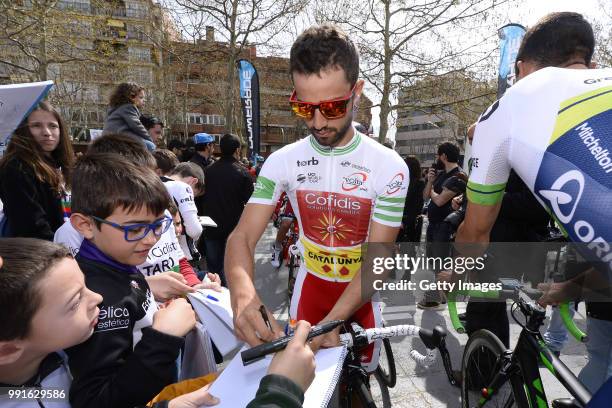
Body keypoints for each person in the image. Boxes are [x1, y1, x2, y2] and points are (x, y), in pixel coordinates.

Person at [226, 24, 409, 373]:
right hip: (310, 291)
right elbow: (242, 237)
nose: (318, 121)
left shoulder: (390, 166)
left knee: (357, 386)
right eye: (304, 108)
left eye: (334, 106)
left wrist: (337, 319)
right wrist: (244, 295)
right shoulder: (283, 161)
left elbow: (381, 256)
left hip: (362, 298)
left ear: (357, 92)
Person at [455, 12, 611, 393]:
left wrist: (456, 270)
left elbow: (475, 232)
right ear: (588, 64)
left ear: (521, 68)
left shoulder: (512, 103)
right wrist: (573, 288)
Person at [65, 152, 198, 408]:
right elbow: (94, 400)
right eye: (134, 229)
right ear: (85, 225)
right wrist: (164, 337)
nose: (150, 239)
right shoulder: (98, 299)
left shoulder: (119, 263)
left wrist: (146, 286)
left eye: (158, 225)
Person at [54, 132, 214, 297]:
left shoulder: (161, 215)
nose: (151, 239)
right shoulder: (72, 235)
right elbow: (81, 293)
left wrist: (195, 288)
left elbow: (178, 261)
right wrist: (144, 288)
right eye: (134, 229)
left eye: (150, 179)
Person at [0, 101, 74, 240]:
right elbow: (32, 226)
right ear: (23, 130)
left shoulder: (62, 166)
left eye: (53, 126)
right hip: (41, 254)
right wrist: (63, 256)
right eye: (36, 125)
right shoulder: (16, 167)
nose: (46, 132)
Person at [200, 134, 254, 285]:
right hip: (233, 227)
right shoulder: (243, 173)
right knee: (232, 265)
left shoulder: (207, 171)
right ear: (237, 150)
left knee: (213, 267)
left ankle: (217, 294)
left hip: (210, 226)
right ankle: (230, 293)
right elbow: (251, 202)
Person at [419, 141, 465, 309]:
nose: (437, 159)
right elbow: (425, 197)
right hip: (433, 224)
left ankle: (438, 297)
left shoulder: (458, 176)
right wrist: (430, 181)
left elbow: (438, 201)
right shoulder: (440, 175)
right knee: (433, 260)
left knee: (441, 261)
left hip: (445, 227)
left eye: (438, 155)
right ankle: (440, 295)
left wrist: (431, 189)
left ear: (444, 156)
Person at [164, 163, 205, 263]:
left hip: (161, 253)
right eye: (194, 195)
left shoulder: (154, 182)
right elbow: (194, 231)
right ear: (193, 181)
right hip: (181, 255)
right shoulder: (183, 187)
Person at [103, 82, 155, 151]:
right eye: (141, 97)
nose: (144, 100)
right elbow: (136, 126)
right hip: (120, 138)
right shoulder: (129, 107)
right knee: (150, 146)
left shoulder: (115, 108)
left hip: (109, 138)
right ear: (132, 97)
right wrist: (149, 138)